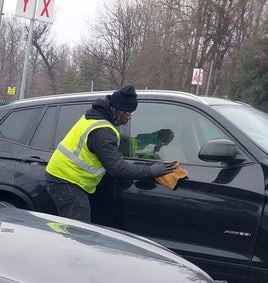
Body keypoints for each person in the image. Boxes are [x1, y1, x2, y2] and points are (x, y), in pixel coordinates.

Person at [44, 85, 176, 223]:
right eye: (128, 113)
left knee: (74, 227)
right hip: (65, 179)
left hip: (70, 177)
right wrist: (150, 170)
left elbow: (127, 144)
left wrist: (153, 139)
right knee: (77, 230)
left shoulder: (97, 117)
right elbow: (117, 168)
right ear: (118, 111)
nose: (129, 118)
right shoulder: (103, 131)